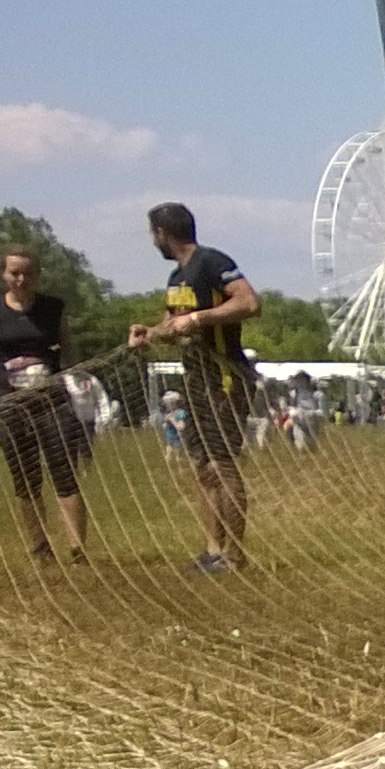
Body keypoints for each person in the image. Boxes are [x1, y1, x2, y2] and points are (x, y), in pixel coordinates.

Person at [126, 203, 256, 573]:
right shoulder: (175, 278)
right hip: (195, 381)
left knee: (222, 465)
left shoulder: (212, 262)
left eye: (154, 235)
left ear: (162, 233)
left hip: (226, 379)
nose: (154, 242)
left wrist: (200, 318)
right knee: (202, 467)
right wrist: (148, 334)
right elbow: (174, 323)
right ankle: (213, 550)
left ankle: (234, 555)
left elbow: (249, 302)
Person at [0, 248, 89, 563]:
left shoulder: (53, 308)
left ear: (37, 275)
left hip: (52, 401)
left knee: (64, 472)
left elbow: (70, 349)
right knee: (25, 478)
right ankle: (40, 548)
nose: (22, 280)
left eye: (28, 273)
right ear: (3, 274)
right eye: (15, 273)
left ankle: (78, 551)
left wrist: (80, 380)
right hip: (9, 404)